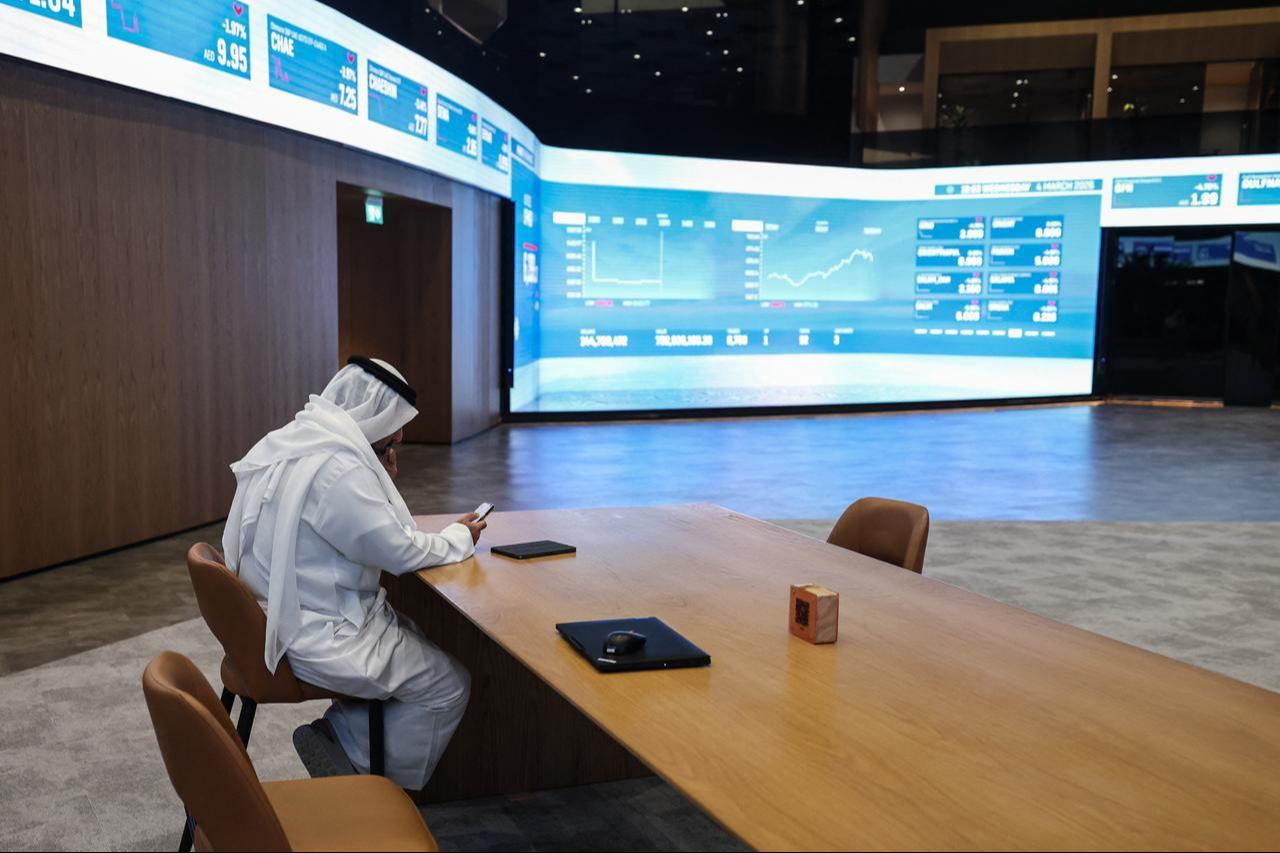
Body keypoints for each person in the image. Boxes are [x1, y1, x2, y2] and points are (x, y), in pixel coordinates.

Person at [221, 356, 486, 790]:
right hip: (313, 634)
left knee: (416, 636)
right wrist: (460, 537)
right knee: (448, 683)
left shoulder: (298, 439)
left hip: (270, 619)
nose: (397, 441)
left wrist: (379, 477)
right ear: (373, 416)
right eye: (391, 436)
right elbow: (399, 550)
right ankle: (367, 778)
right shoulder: (339, 470)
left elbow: (364, 530)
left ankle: (344, 732)